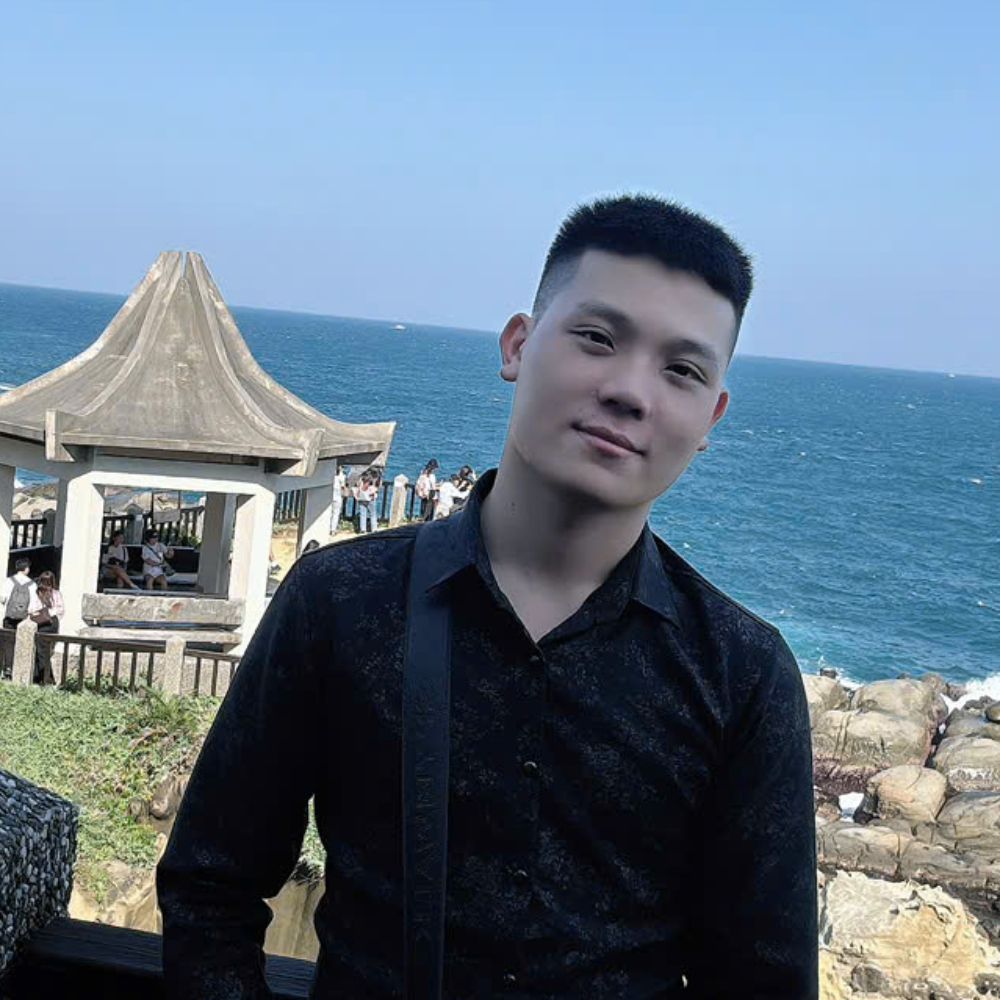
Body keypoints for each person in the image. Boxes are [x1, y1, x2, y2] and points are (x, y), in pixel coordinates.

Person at [159, 195, 818, 998]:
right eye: (598, 337)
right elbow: (210, 885)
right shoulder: (342, 600)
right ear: (518, 344)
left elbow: (761, 982)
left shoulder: (742, 674)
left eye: (682, 370)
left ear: (710, 416)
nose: (630, 391)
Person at [0, 557, 39, 678]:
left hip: (9, 616)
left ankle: (8, 668)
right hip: (23, 619)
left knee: (8, 643)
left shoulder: (9, 581)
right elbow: (33, 604)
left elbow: (2, 599)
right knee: (22, 643)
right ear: (26, 569)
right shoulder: (32, 585)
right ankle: (20, 671)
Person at [31, 570, 64, 685]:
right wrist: (51, 614)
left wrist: (43, 613)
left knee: (40, 651)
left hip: (42, 623)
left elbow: (32, 608)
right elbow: (61, 610)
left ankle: (45, 678)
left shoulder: (38, 593)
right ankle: (42, 677)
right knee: (48, 651)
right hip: (53, 623)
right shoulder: (56, 593)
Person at [330, 465, 347, 534]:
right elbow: (342, 487)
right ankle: (333, 529)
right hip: (338, 497)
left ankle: (327, 528)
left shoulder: (331, 475)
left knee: (329, 513)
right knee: (336, 513)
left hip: (330, 497)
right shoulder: (342, 476)